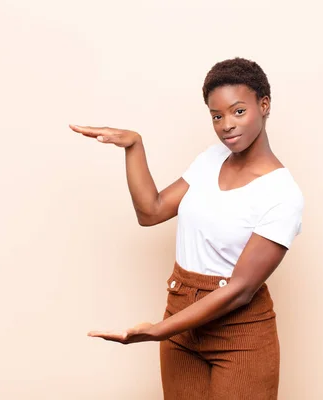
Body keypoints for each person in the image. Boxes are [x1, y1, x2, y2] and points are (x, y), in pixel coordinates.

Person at [69, 57, 304, 400]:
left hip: (238, 333)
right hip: (180, 317)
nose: (226, 125)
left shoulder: (282, 194)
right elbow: (151, 211)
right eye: (216, 115)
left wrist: (157, 331)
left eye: (239, 111)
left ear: (263, 105)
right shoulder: (211, 159)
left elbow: (240, 289)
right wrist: (134, 146)